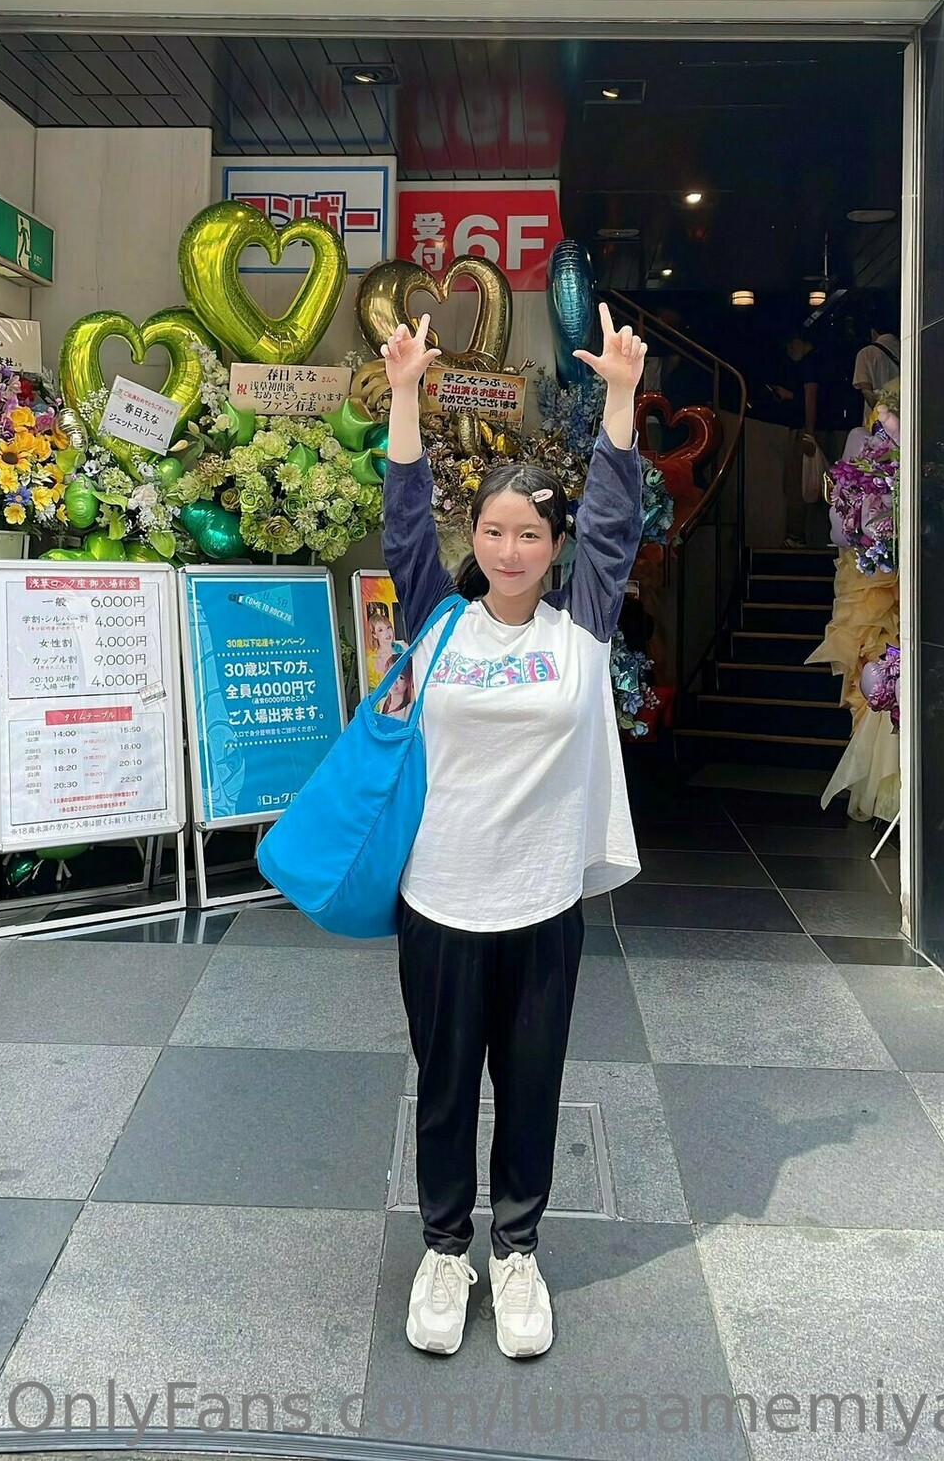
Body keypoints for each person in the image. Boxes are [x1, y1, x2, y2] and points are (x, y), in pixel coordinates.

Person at [381, 305, 646, 1362]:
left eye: (529, 533)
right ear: (474, 540)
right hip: (439, 898)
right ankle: (445, 1250)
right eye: (492, 531)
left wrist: (619, 398)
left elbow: (616, 521)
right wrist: (406, 392)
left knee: (530, 1088)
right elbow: (404, 522)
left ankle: (518, 1251)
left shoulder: (580, 629)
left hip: (539, 903)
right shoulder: (435, 621)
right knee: (445, 1088)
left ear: (553, 545)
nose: (508, 549)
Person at [768, 331, 819, 548]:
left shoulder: (810, 363)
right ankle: (807, 534)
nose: (789, 351)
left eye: (791, 345)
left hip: (804, 431)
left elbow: (811, 397)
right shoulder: (816, 361)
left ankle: (796, 534)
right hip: (807, 429)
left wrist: (809, 433)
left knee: (798, 484)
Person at [852, 297, 900, 425]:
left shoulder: (865, 354)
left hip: (878, 422)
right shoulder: (909, 349)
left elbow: (867, 392)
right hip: (905, 418)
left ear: (873, 331)